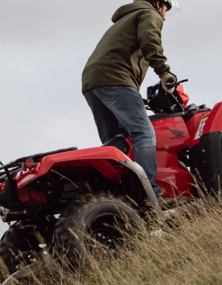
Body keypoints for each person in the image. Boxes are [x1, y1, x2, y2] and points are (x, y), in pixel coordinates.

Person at [81, 0, 180, 204]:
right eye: (164, 10)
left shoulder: (123, 19)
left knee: (116, 143)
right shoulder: (149, 14)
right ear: (157, 3)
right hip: (116, 78)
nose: (164, 17)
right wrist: (164, 72)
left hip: (92, 82)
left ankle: (121, 196)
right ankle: (149, 195)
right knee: (143, 132)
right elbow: (150, 41)